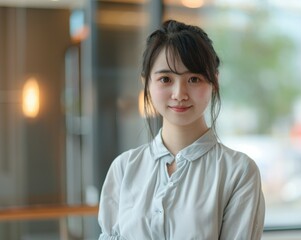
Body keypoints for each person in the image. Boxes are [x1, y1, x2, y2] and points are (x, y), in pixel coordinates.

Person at [98, 19, 265, 240]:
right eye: (166, 79)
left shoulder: (239, 172)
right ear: (146, 83)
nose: (179, 94)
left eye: (194, 79)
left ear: (214, 82)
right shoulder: (124, 168)